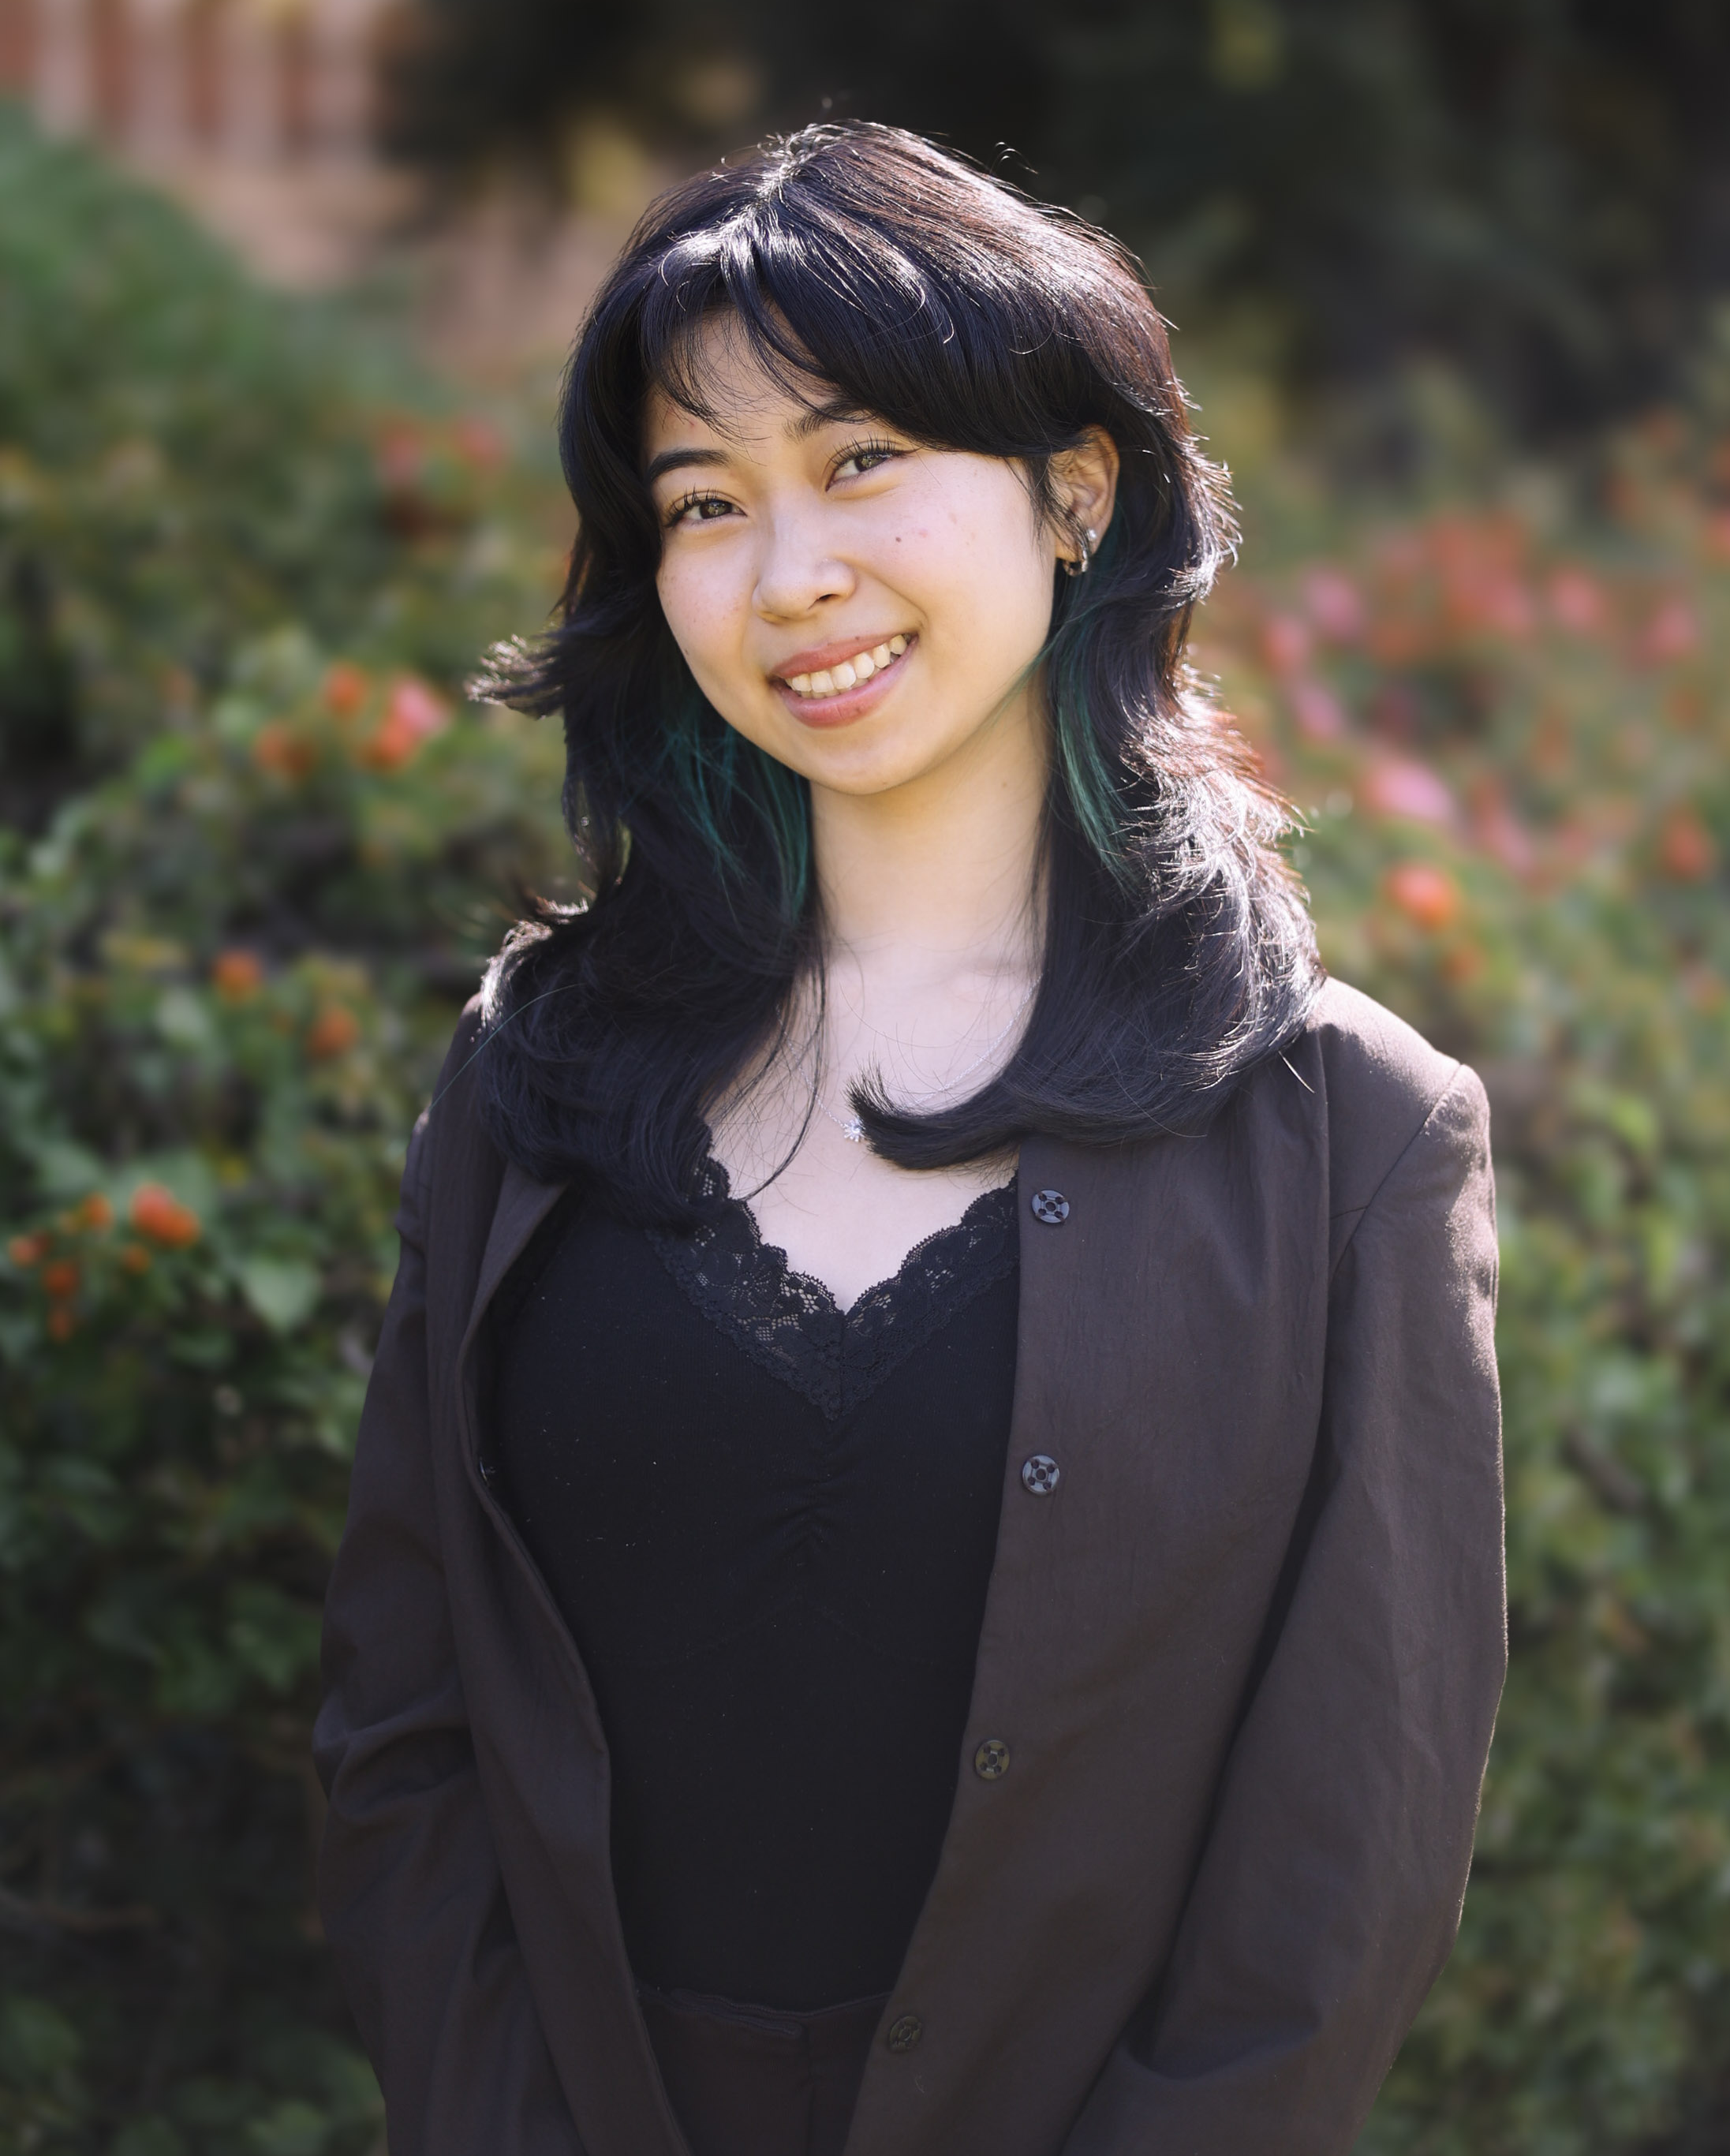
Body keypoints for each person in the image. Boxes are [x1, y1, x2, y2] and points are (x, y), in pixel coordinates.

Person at [313, 122, 1505, 2156]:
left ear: (1073, 492)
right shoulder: (533, 1081)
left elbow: (1336, 1880)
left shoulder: (1350, 1139)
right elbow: (405, 1736)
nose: (793, 576)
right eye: (707, 501)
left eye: (861, 460)